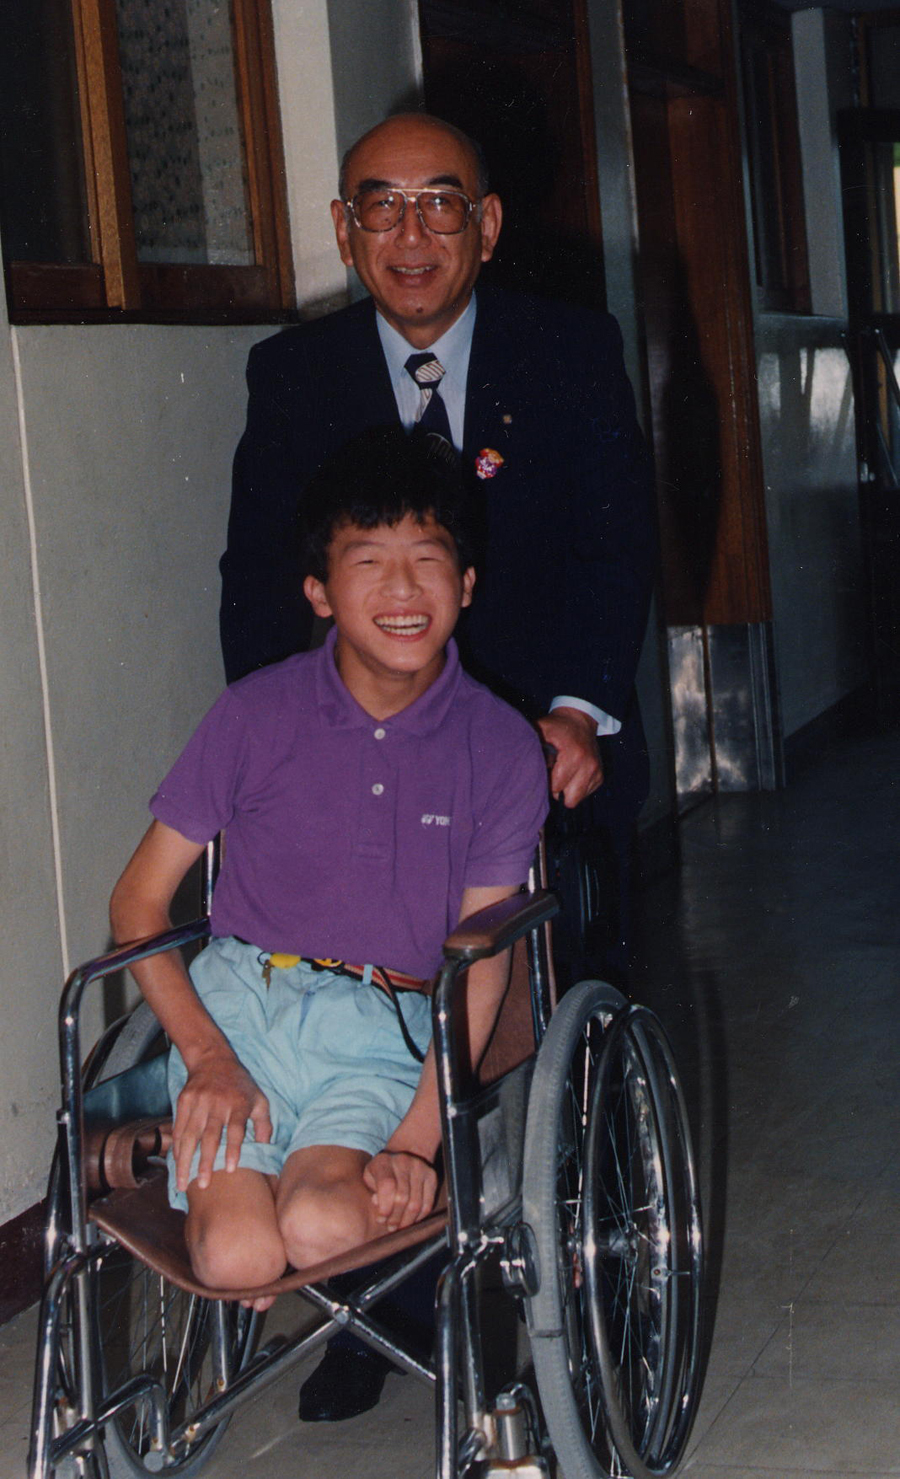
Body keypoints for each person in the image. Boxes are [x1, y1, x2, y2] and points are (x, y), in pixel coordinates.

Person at [219, 110, 655, 1416]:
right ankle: (378, 1301)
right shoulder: (292, 375)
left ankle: (602, 1282)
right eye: (381, 205)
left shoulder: (568, 352)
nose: (411, 233)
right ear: (344, 229)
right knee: (344, 991)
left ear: (488, 223)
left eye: (440, 202)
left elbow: (614, 547)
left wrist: (574, 712)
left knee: (562, 1006)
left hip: (540, 752)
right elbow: (258, 591)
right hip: (357, 769)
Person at [110, 428, 548, 1307]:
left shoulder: (501, 746)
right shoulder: (253, 714)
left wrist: (417, 1140)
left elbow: (481, 959)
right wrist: (207, 1057)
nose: (402, 590)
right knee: (238, 1256)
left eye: (428, 559)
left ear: (466, 582)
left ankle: (285, 1182)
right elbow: (137, 903)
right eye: (368, 561)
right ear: (318, 590)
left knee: (320, 1226)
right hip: (239, 1018)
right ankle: (244, 1189)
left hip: (382, 1032)